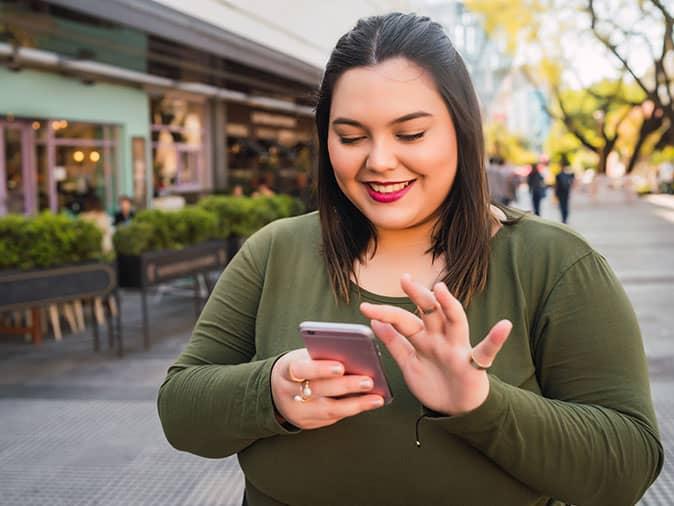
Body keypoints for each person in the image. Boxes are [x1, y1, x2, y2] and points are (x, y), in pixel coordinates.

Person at [158, 13, 662, 506]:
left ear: (462, 132)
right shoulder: (275, 250)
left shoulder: (554, 261)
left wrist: (480, 403)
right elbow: (181, 411)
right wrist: (271, 392)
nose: (378, 160)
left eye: (411, 134)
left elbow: (626, 468)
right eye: (351, 137)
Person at [554, 157, 575, 224]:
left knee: (563, 206)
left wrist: (555, 193)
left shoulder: (560, 175)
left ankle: (564, 218)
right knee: (564, 206)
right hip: (564, 192)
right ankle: (564, 218)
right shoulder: (566, 175)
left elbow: (556, 185)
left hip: (562, 193)